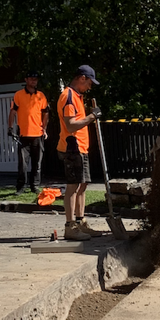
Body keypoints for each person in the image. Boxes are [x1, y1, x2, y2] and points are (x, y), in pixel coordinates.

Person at [57, 64, 103, 241]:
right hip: (72, 148)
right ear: (82, 78)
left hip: (80, 147)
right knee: (72, 186)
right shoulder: (68, 97)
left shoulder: (77, 96)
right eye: (89, 83)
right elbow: (70, 125)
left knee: (82, 185)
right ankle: (70, 226)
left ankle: (80, 221)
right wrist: (92, 117)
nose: (90, 87)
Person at [7, 71, 50, 194]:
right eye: (31, 79)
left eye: (35, 79)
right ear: (26, 80)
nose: (33, 81)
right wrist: (10, 127)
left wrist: (44, 128)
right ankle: (21, 187)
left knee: (37, 163)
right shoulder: (19, 95)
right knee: (23, 164)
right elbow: (13, 112)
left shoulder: (41, 96)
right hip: (23, 134)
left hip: (38, 134)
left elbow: (46, 112)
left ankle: (35, 186)